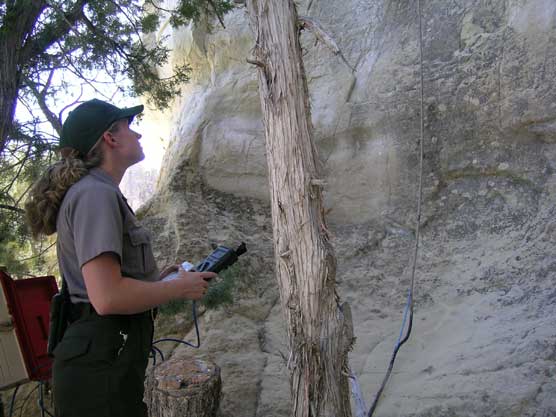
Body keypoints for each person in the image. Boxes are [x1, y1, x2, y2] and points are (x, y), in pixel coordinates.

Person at [25, 98, 216, 417]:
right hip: (98, 375)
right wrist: (178, 288)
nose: (138, 136)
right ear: (110, 138)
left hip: (105, 365)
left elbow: (105, 289)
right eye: (130, 127)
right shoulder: (95, 194)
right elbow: (107, 298)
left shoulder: (96, 192)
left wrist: (158, 281)